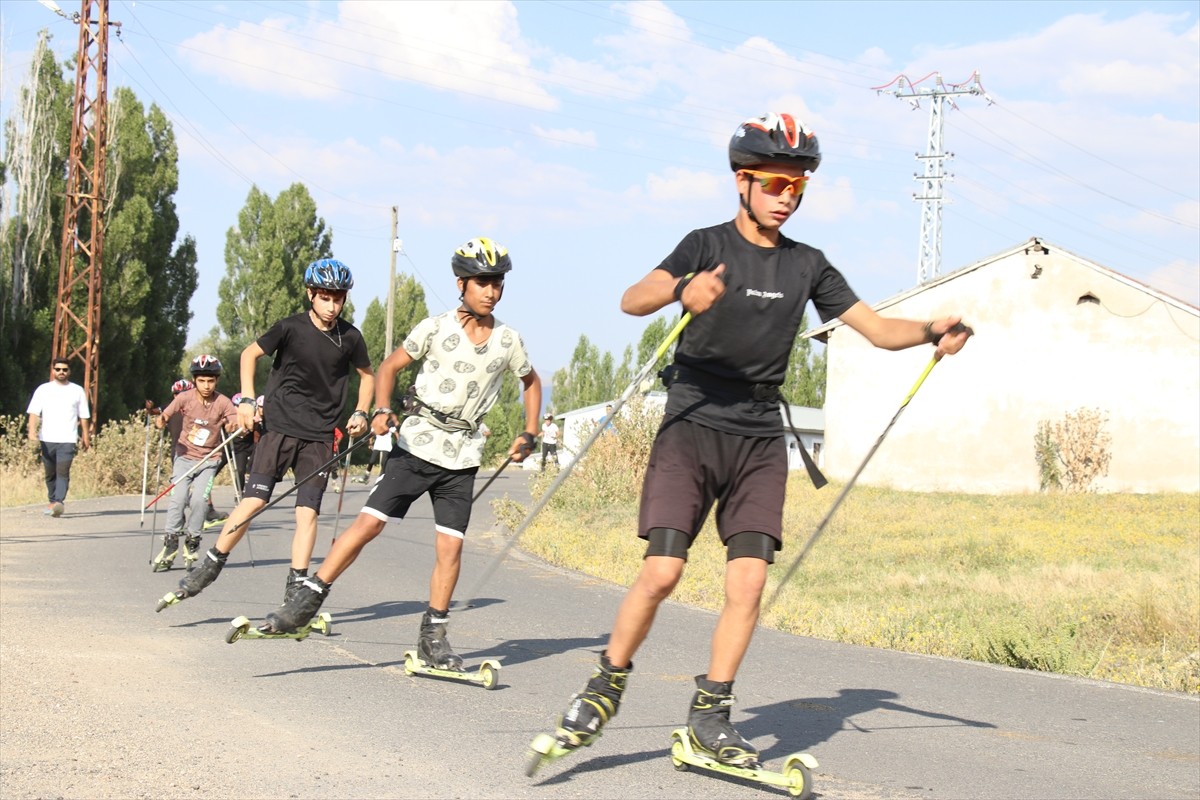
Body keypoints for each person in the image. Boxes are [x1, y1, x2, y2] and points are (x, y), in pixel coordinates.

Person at [540, 113, 972, 767]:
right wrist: (684, 289)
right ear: (743, 180)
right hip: (692, 426)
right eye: (776, 182)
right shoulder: (705, 243)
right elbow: (634, 298)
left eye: (799, 186)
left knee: (746, 586)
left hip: (760, 438)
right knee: (662, 572)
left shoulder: (809, 266)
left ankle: (710, 716)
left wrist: (932, 329)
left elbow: (878, 331)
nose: (787, 196)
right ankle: (605, 686)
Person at [257, 237, 542, 669]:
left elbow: (531, 381)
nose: (491, 290)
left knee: (450, 549)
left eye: (497, 282)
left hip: (462, 457)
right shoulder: (435, 328)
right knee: (369, 525)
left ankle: (434, 637)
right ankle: (307, 599)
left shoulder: (507, 340)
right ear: (461, 283)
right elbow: (388, 368)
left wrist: (530, 430)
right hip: (417, 444)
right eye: (482, 282)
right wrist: (383, 409)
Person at [160, 258, 374, 609]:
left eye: (338, 298)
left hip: (320, 436)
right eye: (325, 297)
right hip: (278, 429)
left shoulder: (350, 337)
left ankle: (296, 586)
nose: (332, 304)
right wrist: (245, 400)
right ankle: (210, 565)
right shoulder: (289, 328)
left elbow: (368, 375)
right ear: (311, 294)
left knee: (307, 513)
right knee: (254, 501)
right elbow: (249, 354)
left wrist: (363, 411)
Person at [151, 356, 238, 571]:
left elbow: (233, 418)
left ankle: (192, 542)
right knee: (178, 499)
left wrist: (232, 424)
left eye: (210, 381)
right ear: (194, 380)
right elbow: (165, 414)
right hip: (184, 457)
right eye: (201, 381)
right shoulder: (185, 398)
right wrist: (160, 420)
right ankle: (170, 544)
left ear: (216, 381)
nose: (206, 386)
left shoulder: (223, 402)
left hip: (209, 460)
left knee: (200, 501)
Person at [26, 357, 91, 517]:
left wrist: (85, 436)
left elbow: (83, 416)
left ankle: (59, 502)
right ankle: (52, 501)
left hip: (68, 439)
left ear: (69, 371)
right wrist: (32, 431)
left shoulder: (77, 390)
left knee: (63, 471)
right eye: (58, 369)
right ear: (53, 370)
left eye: (64, 369)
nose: (61, 372)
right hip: (47, 438)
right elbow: (34, 412)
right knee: (50, 473)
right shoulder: (43, 389)